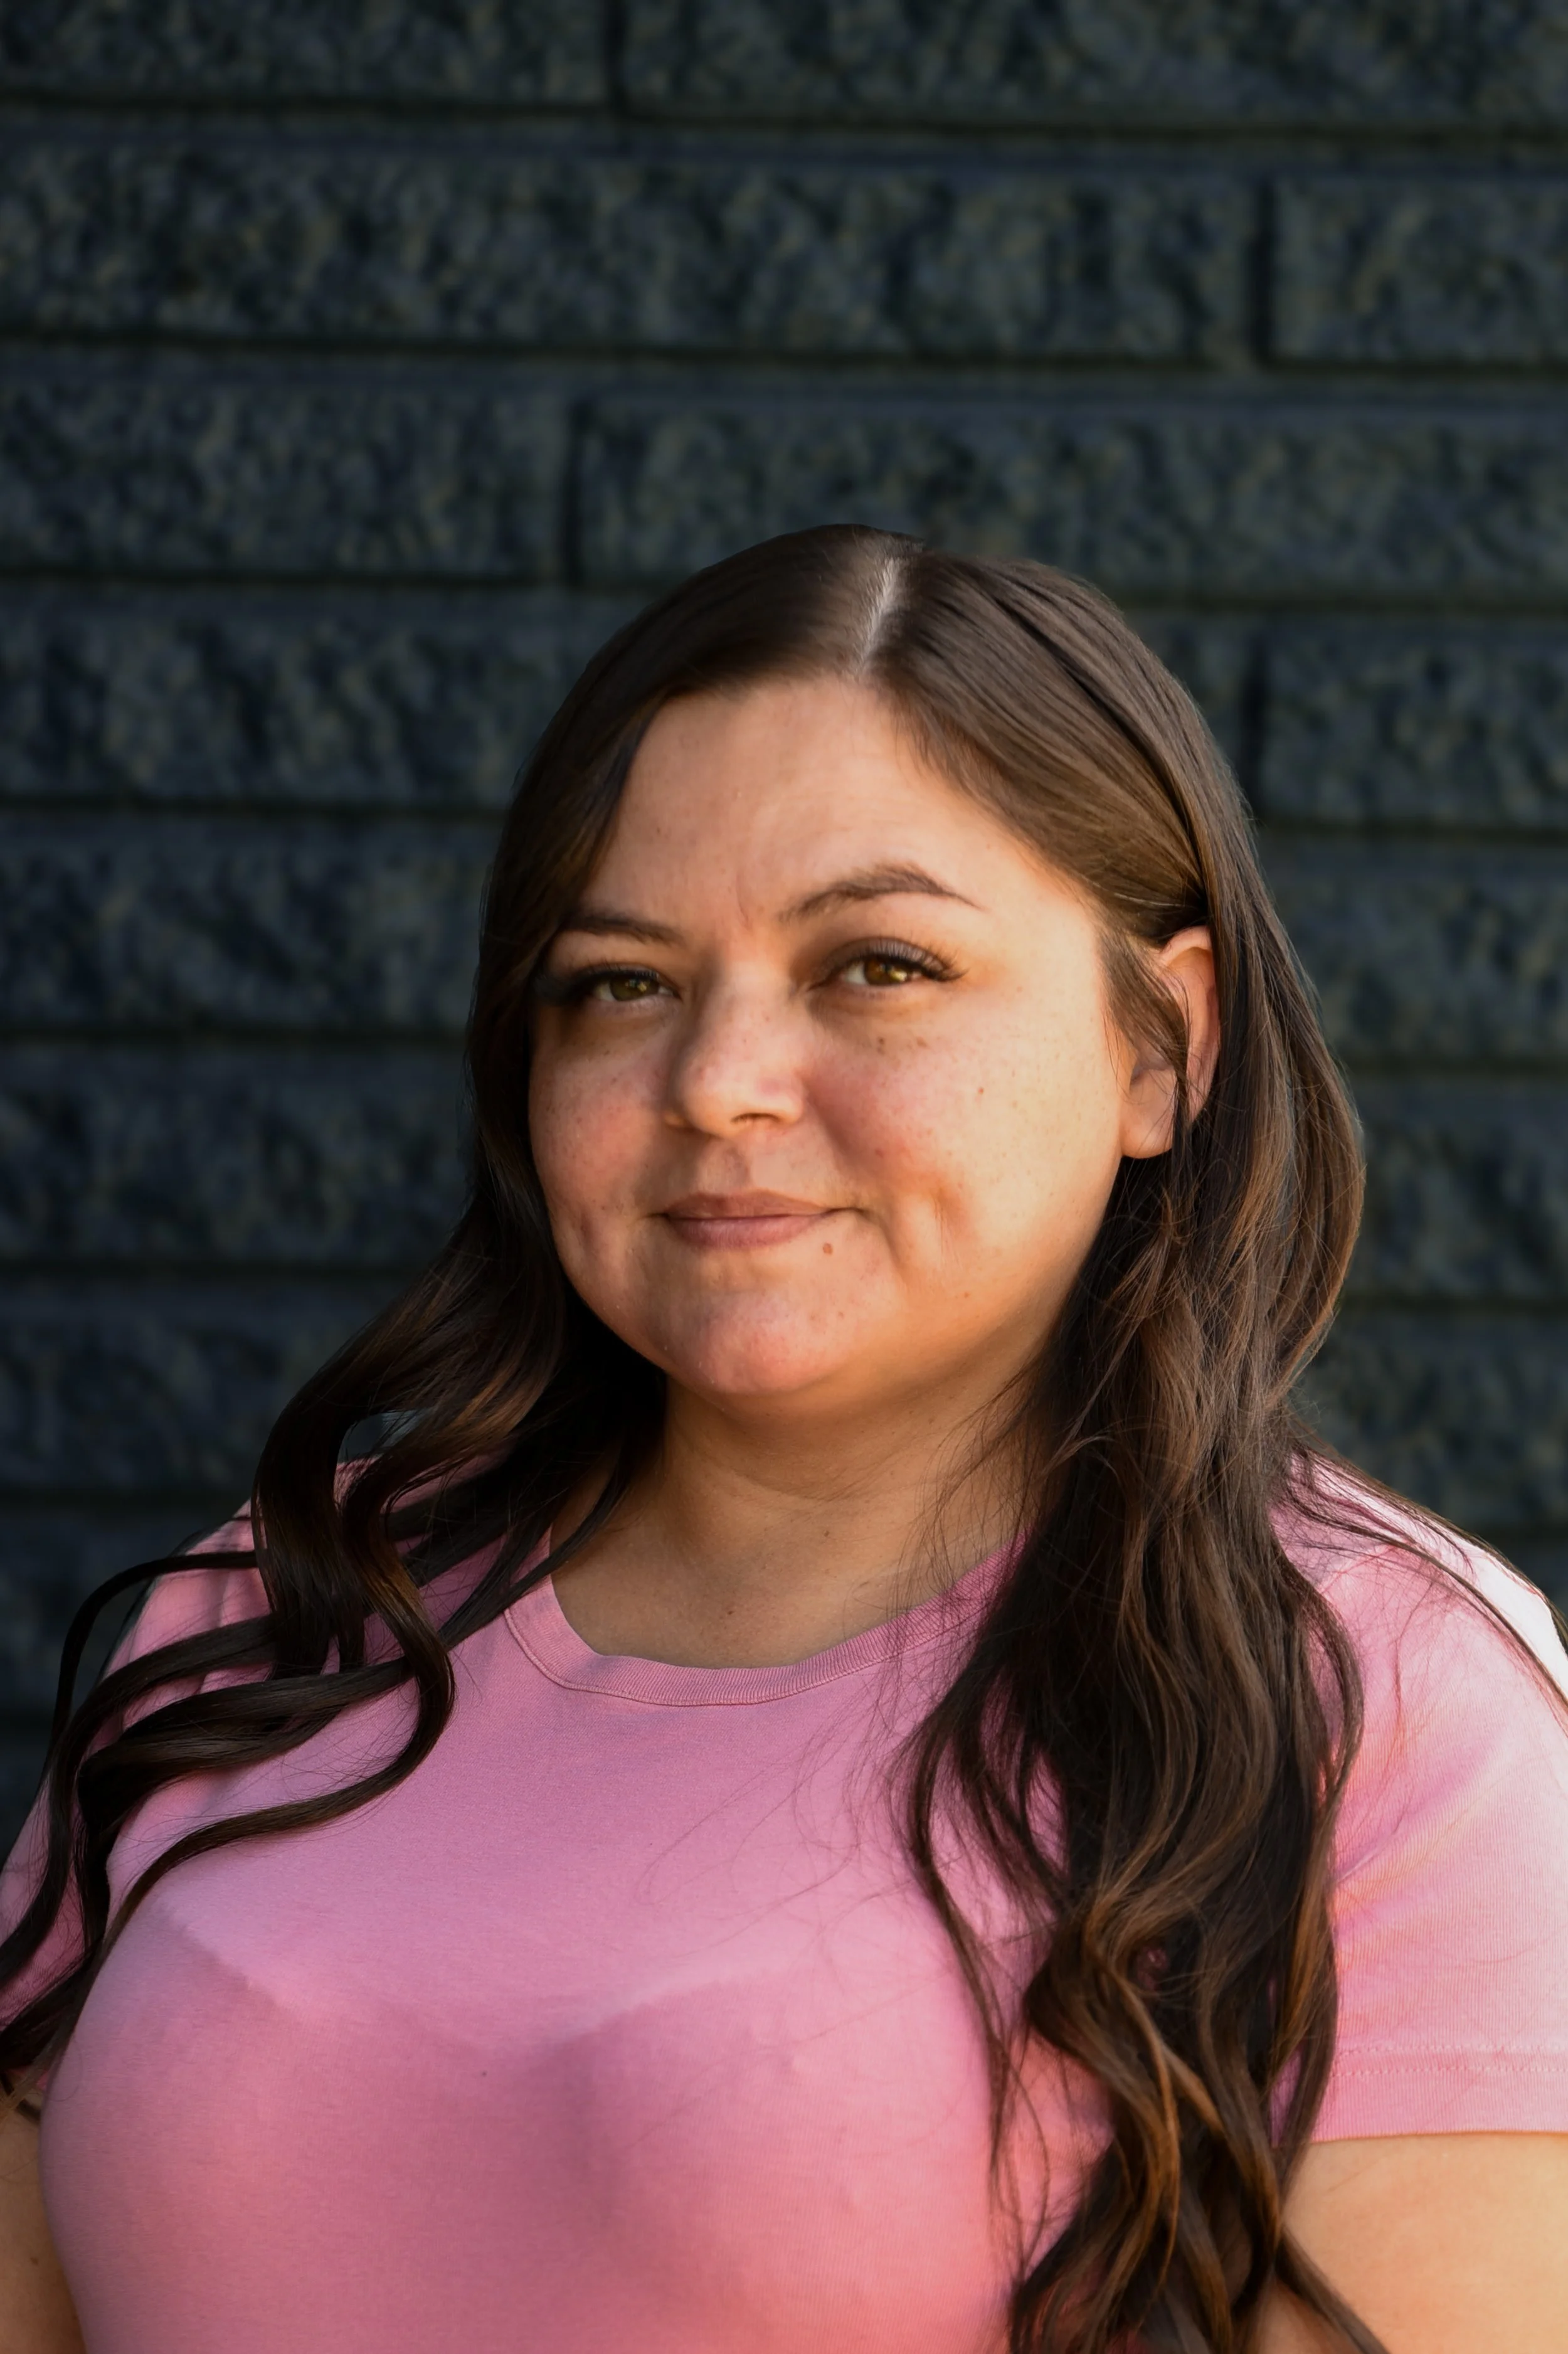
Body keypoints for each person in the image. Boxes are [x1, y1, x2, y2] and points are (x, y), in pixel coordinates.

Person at [0, 529, 1565, 2354]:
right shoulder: (301, 1593)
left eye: (876, 966)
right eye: (621, 982)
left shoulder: (1382, 1711)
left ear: (1166, 1045)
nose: (719, 1080)